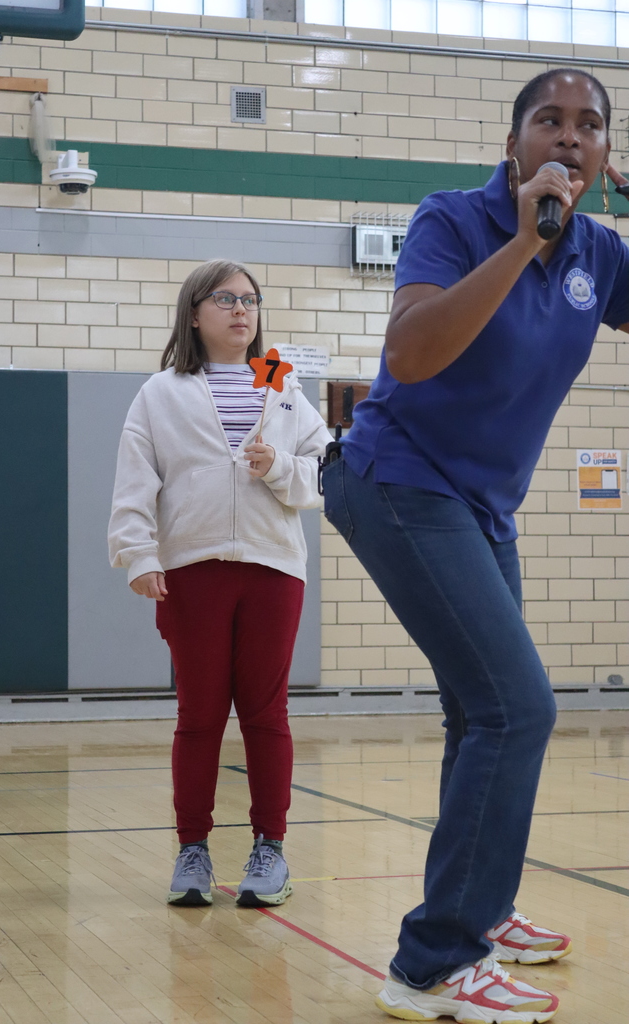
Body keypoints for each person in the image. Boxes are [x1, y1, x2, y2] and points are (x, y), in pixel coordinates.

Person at [322, 69, 629, 1024]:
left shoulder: (600, 253)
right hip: (396, 482)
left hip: (481, 508)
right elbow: (410, 353)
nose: (569, 138)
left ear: (606, 157)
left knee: (479, 716)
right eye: (549, 120)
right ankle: (432, 964)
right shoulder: (452, 219)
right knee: (519, 708)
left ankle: (481, 909)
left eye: (590, 127)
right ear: (513, 144)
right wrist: (518, 239)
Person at [109, 259, 331, 909]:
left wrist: (279, 466)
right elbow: (134, 483)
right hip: (190, 570)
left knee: (266, 714)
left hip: (272, 567)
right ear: (195, 312)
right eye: (226, 299)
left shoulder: (280, 383)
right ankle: (192, 851)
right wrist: (138, 555)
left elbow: (322, 474)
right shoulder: (160, 392)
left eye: (250, 300)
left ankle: (270, 849)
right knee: (199, 715)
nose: (241, 310)